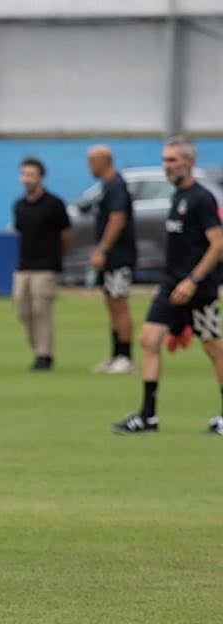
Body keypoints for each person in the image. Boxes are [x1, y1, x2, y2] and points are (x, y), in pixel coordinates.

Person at [113, 136, 223, 435]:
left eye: (172, 160)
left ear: (189, 162)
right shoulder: (177, 197)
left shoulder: (202, 199)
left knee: (214, 348)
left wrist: (194, 280)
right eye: (165, 160)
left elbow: (217, 244)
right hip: (171, 284)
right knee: (149, 340)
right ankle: (148, 416)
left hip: (198, 288)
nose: (167, 166)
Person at [11, 157, 71, 371]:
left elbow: (66, 233)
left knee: (41, 309)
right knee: (22, 309)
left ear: (41, 177)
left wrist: (57, 257)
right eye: (24, 175)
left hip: (46, 265)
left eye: (31, 175)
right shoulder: (19, 206)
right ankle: (37, 348)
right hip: (24, 265)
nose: (27, 179)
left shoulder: (54, 204)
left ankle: (44, 355)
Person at [86, 145, 137, 374]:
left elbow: (117, 219)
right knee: (110, 303)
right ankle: (115, 353)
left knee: (120, 303)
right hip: (111, 258)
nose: (89, 166)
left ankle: (126, 356)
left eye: (92, 161)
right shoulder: (106, 187)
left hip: (119, 256)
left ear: (103, 161)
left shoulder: (116, 185)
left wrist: (102, 249)